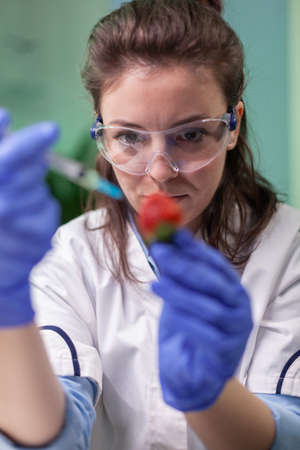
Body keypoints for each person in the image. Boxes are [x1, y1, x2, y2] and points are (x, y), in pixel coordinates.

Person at [0, 0, 300, 448]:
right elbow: (52, 437)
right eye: (130, 137)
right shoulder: (71, 254)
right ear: (102, 132)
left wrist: (210, 396)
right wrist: (9, 316)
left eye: (191, 134)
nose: (160, 172)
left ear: (232, 124)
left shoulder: (289, 249)